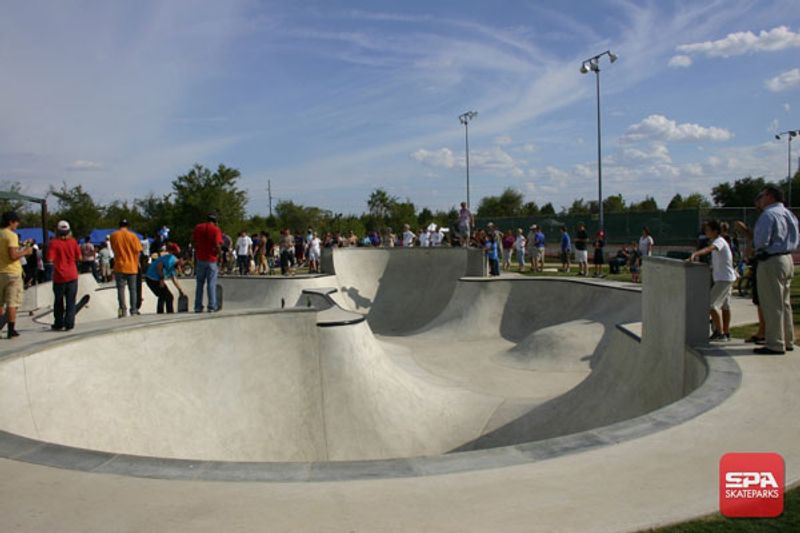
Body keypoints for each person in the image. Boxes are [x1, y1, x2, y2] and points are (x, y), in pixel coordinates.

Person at [752, 185, 800, 355]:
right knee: (785, 303)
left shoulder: (768, 214)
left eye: (763, 195)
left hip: (771, 260)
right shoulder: (789, 214)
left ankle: (775, 343)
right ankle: (788, 340)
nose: (761, 198)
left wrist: (756, 251)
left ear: (770, 196)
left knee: (772, 303)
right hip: (787, 258)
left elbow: (762, 241)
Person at [689, 220, 737, 341]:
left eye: (708, 230)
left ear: (715, 231)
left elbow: (709, 249)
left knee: (710, 304)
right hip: (727, 277)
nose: (706, 232)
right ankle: (726, 332)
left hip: (723, 279)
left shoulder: (719, 241)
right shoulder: (719, 242)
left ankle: (719, 333)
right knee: (725, 306)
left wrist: (696, 253)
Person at [0, 212, 34, 338]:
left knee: (0, 302)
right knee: (11, 302)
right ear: (11, 222)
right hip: (12, 273)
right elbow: (13, 256)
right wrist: (26, 251)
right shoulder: (12, 235)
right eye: (16, 222)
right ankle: (11, 330)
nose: (18, 224)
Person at [47, 221, 82, 331]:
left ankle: (58, 323)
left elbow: (50, 259)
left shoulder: (54, 243)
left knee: (58, 301)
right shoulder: (73, 242)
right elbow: (79, 257)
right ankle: (69, 323)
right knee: (71, 301)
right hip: (72, 275)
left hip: (59, 276)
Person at [109, 219, 143, 318]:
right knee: (133, 289)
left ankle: (122, 310)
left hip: (119, 266)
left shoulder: (113, 236)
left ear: (119, 225)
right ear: (128, 226)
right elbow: (138, 251)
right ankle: (134, 310)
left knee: (120, 289)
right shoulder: (133, 236)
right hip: (132, 266)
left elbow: (114, 249)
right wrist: (137, 262)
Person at [192, 213, 223, 312]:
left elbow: (193, 240)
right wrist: (220, 255)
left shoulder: (198, 227)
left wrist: (197, 248)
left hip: (200, 258)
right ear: (215, 222)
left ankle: (198, 306)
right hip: (211, 259)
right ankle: (211, 306)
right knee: (211, 283)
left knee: (199, 283)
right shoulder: (215, 230)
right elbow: (217, 245)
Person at [145, 242, 185, 314]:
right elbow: (159, 267)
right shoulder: (171, 259)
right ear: (180, 260)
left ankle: (161, 313)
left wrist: (180, 290)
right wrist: (161, 280)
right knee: (168, 296)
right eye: (182, 265)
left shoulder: (174, 264)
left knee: (163, 296)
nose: (181, 268)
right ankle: (167, 314)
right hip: (152, 279)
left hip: (154, 278)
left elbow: (173, 278)